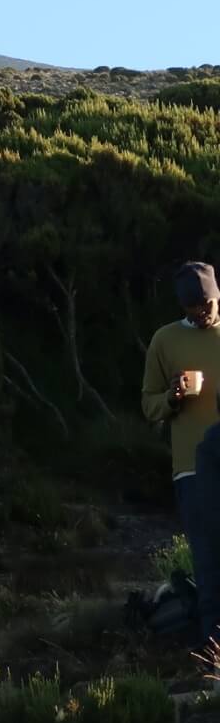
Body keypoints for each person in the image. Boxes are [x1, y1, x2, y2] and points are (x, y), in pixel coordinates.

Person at [144, 261, 220, 648]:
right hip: (191, 468)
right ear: (183, 308)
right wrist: (171, 398)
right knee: (208, 560)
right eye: (196, 309)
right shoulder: (165, 340)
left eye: (208, 305)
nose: (204, 313)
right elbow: (149, 404)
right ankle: (214, 652)